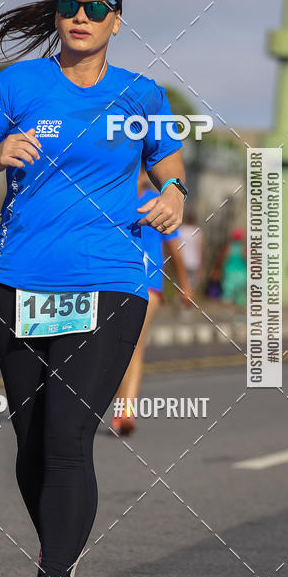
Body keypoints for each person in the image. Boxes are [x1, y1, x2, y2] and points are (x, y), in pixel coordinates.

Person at [0, 0, 187, 577]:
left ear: (116, 18)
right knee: (30, 445)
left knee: (67, 437)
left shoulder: (143, 94)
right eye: (69, 5)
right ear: (56, 13)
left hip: (108, 281)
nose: (80, 17)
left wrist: (174, 197)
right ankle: (63, 563)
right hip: (18, 280)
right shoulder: (16, 85)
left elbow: (169, 167)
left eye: (95, 8)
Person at [112, 168, 192, 435]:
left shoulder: (158, 203)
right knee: (113, 348)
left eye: (140, 170)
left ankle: (125, 412)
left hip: (148, 286)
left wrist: (184, 285)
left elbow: (173, 248)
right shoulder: (111, 198)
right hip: (112, 283)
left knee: (133, 346)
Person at [177, 208, 203, 295]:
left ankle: (181, 299)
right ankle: (189, 301)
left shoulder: (181, 230)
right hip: (193, 261)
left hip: (182, 260)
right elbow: (199, 248)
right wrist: (201, 264)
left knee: (182, 282)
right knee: (192, 284)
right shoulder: (197, 231)